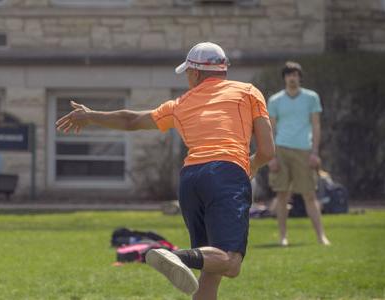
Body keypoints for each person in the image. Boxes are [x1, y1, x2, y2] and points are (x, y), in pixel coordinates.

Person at [56, 42, 275, 299]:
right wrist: (252, 166)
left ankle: (179, 257)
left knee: (210, 266)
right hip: (226, 175)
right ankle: (173, 255)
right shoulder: (248, 92)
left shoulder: (179, 104)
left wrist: (91, 115)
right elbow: (267, 150)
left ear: (195, 73)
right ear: (223, 70)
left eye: (187, 74)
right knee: (231, 262)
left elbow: (132, 120)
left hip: (190, 180)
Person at [267, 61, 331, 246]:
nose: (292, 78)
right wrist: (271, 157)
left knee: (310, 195)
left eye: (295, 74)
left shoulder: (311, 98)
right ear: (284, 78)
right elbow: (270, 129)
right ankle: (283, 237)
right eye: (288, 75)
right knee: (282, 195)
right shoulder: (275, 100)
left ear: (299, 77)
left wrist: (315, 152)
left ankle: (321, 237)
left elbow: (316, 125)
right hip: (281, 150)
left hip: (304, 150)